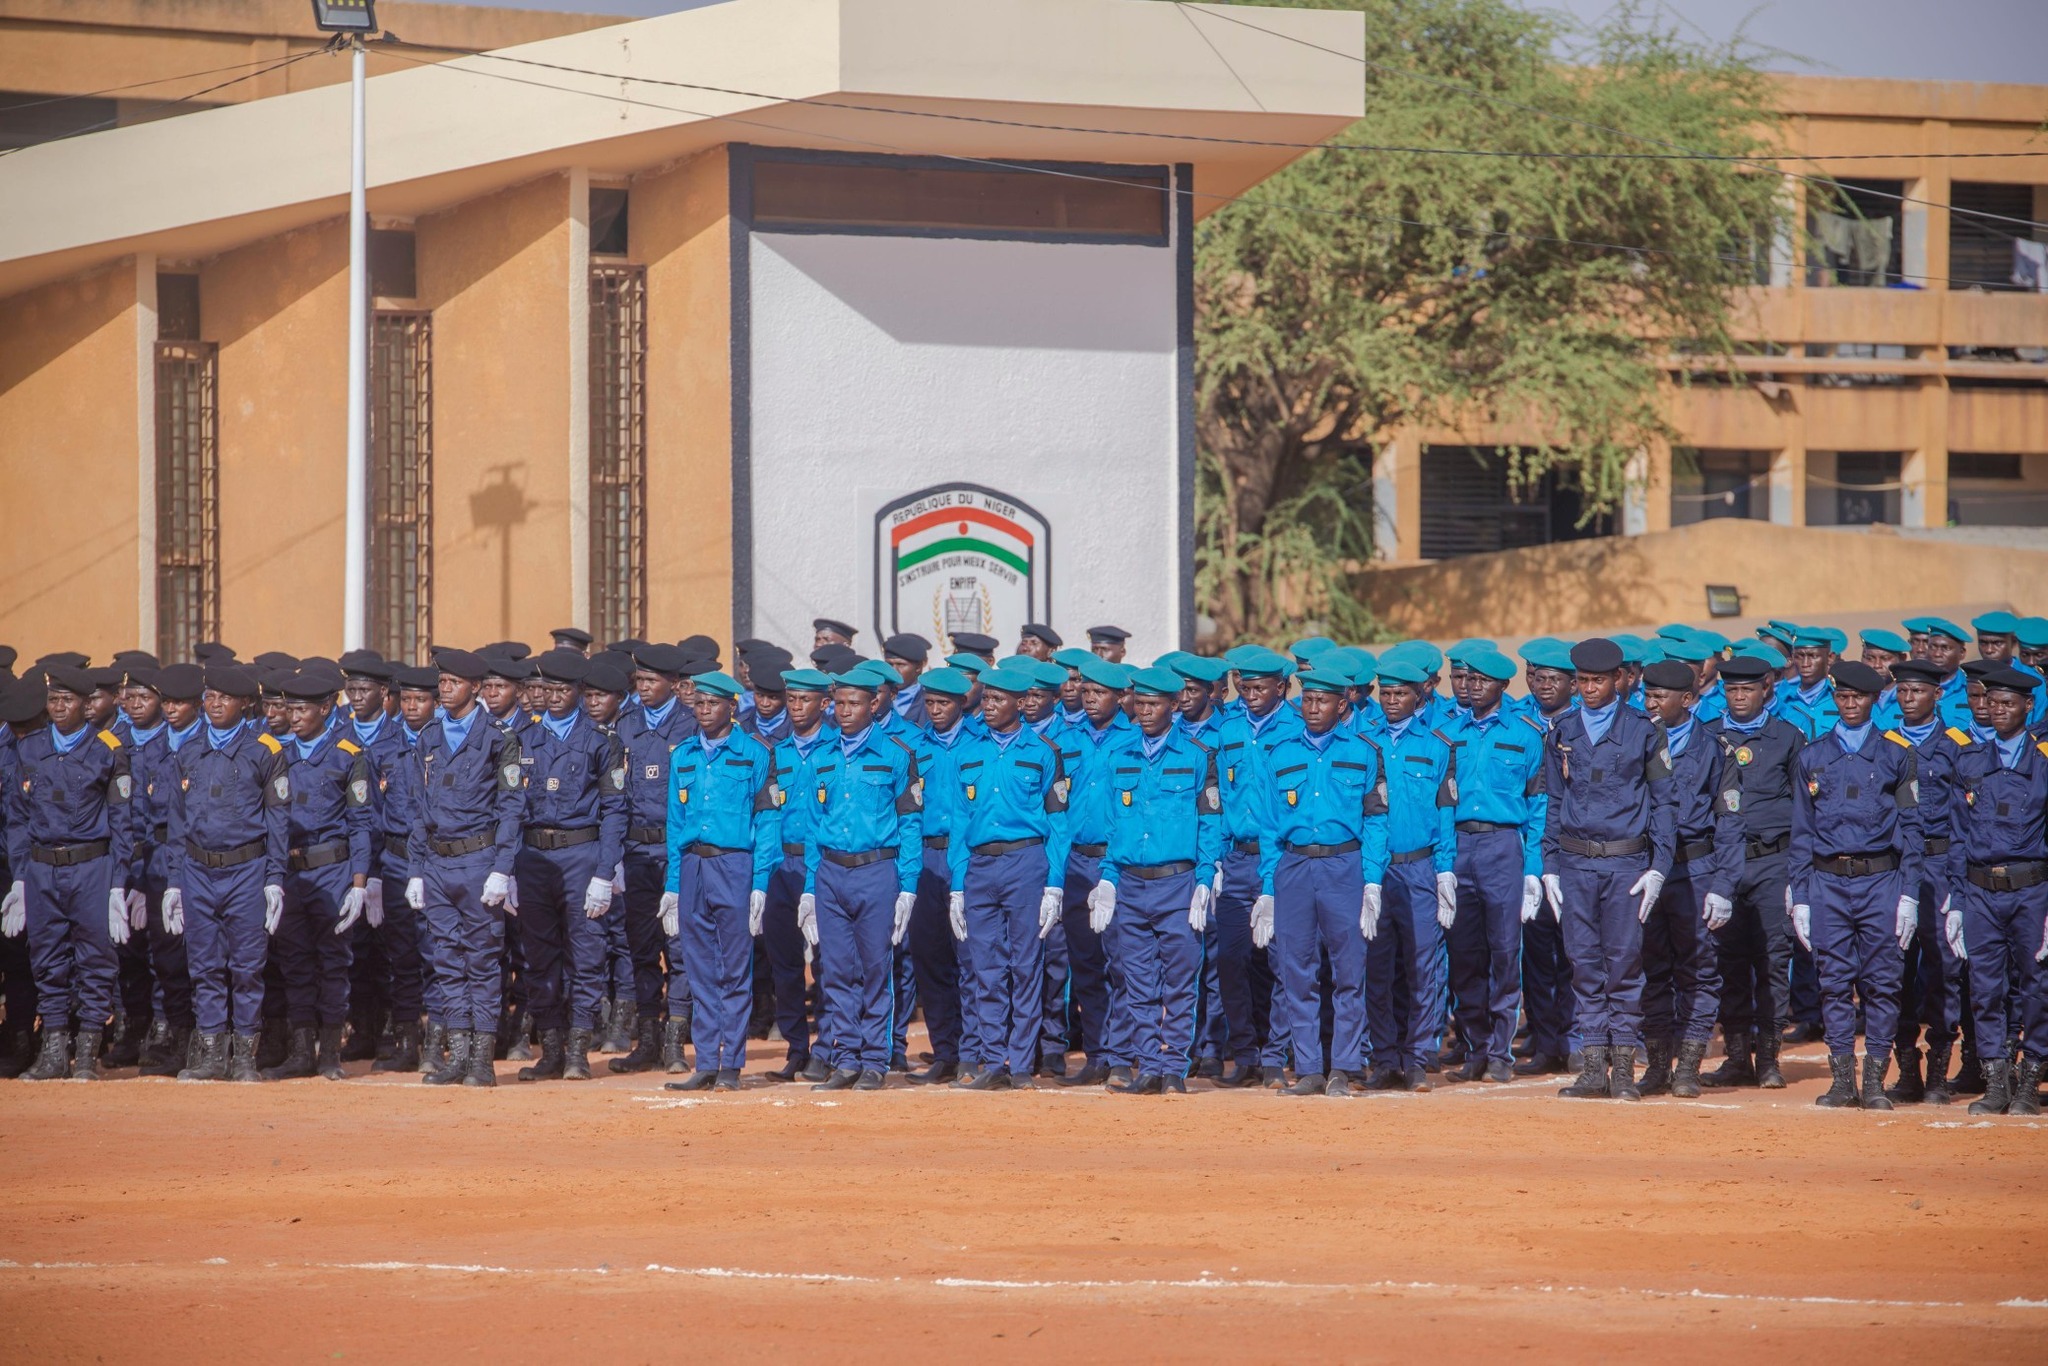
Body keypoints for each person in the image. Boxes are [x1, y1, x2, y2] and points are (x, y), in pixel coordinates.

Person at [1542, 638, 1677, 1103]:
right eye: (1582, 681)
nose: (1590, 689)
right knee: (1583, 965)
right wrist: (1549, 866)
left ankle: (1623, 1070)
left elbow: (1663, 804)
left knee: (1623, 965)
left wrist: (1659, 866)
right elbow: (1554, 802)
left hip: (1625, 863)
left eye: (1599, 680)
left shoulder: (1644, 730)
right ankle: (1592, 1068)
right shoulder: (1562, 730)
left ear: (1619, 680)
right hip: (1576, 862)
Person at [1789, 660, 1923, 1110]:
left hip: (1880, 880)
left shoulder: (1895, 756)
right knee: (1833, 982)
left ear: (1872, 702)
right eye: (1843, 697)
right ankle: (1842, 1080)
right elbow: (1801, 832)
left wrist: (1908, 893)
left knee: (1883, 983)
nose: (1849, 704)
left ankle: (1874, 1082)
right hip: (1827, 883)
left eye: (1859, 698)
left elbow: (1912, 830)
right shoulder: (1811, 756)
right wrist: (1800, 897)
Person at [1084, 666, 1222, 1093]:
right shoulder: (1119, 755)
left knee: (1180, 981)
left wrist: (1206, 877)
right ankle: (1147, 1066)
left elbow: (1210, 823)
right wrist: (1107, 881)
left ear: (1174, 705)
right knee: (1136, 980)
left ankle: (1174, 1068)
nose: (1144, 711)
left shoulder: (1197, 756)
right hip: (1130, 883)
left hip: (1177, 883)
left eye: (1154, 704)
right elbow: (1112, 826)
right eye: (1139, 703)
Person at [1255, 665, 1387, 1096]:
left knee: (1349, 970)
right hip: (1294, 868)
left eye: (1323, 700)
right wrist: (1269, 888)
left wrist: (1372, 882)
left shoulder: (1365, 752)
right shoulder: (1279, 752)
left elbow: (1376, 822)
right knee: (1297, 970)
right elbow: (1270, 828)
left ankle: (1345, 1067)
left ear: (1342, 704)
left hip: (1343, 867)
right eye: (1307, 700)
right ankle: (1309, 1066)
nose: (1313, 708)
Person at [159, 665, 289, 1083]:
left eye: (224, 698)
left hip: (246, 869)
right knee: (204, 964)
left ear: (246, 703)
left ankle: (246, 1054)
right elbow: (176, 825)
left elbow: (279, 822)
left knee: (248, 965)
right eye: (210, 696)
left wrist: (274, 879)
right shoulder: (189, 750)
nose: (214, 704)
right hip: (198, 869)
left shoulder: (265, 750)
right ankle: (213, 1053)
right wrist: (173, 883)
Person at [404, 649, 526, 1088]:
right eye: (442, 682)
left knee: (482, 960)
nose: (445, 688)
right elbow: (419, 809)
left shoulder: (498, 737)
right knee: (446, 961)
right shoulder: (430, 736)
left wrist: (502, 869)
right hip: (437, 862)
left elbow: (512, 809)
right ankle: (457, 1053)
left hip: (478, 862)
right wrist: (415, 869)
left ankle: (482, 1059)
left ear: (475, 688)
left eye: (454, 682)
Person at [946, 665, 1072, 1090]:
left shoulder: (1042, 752)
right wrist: (957, 885)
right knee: (985, 968)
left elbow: (1058, 823)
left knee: (1026, 966)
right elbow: (960, 824)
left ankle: (1020, 1064)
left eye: (999, 700)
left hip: (1026, 864)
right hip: (980, 867)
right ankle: (992, 1061)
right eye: (987, 699)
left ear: (1020, 704)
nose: (990, 706)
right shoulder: (968, 752)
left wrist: (1054, 882)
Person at [798, 667, 922, 1092]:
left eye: (854, 704)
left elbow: (909, 825)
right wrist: (810, 889)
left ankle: (875, 1059)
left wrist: (908, 886)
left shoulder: (895, 755)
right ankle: (845, 1057)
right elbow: (813, 829)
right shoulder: (821, 757)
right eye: (839, 703)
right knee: (834, 971)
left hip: (876, 871)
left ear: (874, 704)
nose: (844, 711)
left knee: (875, 968)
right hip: (831, 873)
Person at [512, 649, 629, 1083]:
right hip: (534, 857)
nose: (554, 697)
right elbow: (507, 808)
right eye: (547, 689)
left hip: (583, 855)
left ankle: (579, 1050)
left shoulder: (601, 741)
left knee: (586, 952)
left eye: (563, 690)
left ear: (579, 691)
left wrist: (605, 871)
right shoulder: (523, 740)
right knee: (538, 956)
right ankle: (552, 1050)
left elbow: (616, 810)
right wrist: (506, 868)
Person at [661, 671, 780, 1092]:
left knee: (734, 968)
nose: (704, 711)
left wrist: (761, 881)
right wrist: (673, 885)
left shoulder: (756, 753)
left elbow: (767, 820)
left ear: (733, 706)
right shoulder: (684, 755)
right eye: (699, 704)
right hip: (694, 866)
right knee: (698, 969)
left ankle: (732, 1063)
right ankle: (706, 1060)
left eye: (713, 704)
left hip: (735, 865)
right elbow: (675, 825)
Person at [258, 670, 374, 1081]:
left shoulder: (348, 754)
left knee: (333, 962)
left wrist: (359, 883)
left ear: (325, 708)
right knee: (294, 963)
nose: (294, 716)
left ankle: (330, 1054)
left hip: (331, 871)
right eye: (290, 708)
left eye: (303, 709)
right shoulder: (274, 753)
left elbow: (361, 824)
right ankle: (302, 1050)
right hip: (289, 873)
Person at [1633, 661, 1740, 1098]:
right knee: (1651, 969)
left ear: (1689, 700)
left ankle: (1689, 1067)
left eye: (1661, 697)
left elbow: (1730, 822)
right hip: (1645, 870)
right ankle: (1658, 1065)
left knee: (1698, 968)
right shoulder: (1636, 740)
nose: (1651, 703)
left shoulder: (1714, 748)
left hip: (1695, 868)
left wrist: (1724, 885)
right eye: (1648, 695)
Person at [1698, 653, 1804, 1090]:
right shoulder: (1707, 737)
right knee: (1727, 960)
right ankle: (1739, 1056)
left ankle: (1770, 1059)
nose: (1739, 697)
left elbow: (1805, 809)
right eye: (1732, 690)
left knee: (1773, 960)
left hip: (1772, 861)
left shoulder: (1787, 737)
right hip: (1724, 862)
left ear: (1767, 691)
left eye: (1747, 689)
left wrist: (1799, 875)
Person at [1442, 648, 1546, 1084]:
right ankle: (1474, 1048)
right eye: (1468, 679)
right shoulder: (1446, 734)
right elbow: (1440, 802)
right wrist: (1443, 863)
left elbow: (1538, 804)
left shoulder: (1525, 734)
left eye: (1484, 681)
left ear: (1504, 686)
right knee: (1463, 955)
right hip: (1458, 843)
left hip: (1505, 846)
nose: (1472, 687)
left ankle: (1500, 1052)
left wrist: (1534, 870)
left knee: (1505, 952)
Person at [1949, 668, 2048, 1115]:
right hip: (1980, 892)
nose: (1998, 711)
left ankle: (2030, 1080)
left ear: (2028, 706)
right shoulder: (1969, 761)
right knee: (1984, 989)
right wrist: (1955, 899)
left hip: (2033, 890)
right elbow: (1956, 835)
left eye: (2009, 703)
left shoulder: (2043, 760)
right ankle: (1996, 1081)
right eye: (1992, 703)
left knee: (2036, 987)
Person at [1362, 655, 1457, 1092]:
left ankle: (1418, 1056)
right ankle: (1384, 1057)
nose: (1392, 701)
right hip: (1375, 872)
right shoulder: (1363, 742)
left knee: (1422, 968)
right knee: (1377, 969)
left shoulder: (1437, 745)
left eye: (1401, 693)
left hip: (1419, 867)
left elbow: (1445, 816)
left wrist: (1444, 874)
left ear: (1420, 695)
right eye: (1386, 693)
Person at [1880, 658, 1971, 1105]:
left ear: (1937, 695)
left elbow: (1967, 817)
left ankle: (1938, 1071)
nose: (1908, 698)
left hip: (1940, 865)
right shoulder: (1884, 745)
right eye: (1902, 691)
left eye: (1917, 691)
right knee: (1893, 967)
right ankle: (1907, 1070)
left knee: (1942, 971)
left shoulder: (1957, 746)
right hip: (1896, 869)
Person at [610, 644, 697, 1075]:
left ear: (673, 685)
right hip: (636, 853)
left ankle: (676, 1042)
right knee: (640, 947)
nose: (642, 688)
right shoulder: (625, 726)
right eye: (639, 681)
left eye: (650, 681)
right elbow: (613, 799)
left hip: (677, 852)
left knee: (679, 947)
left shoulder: (691, 724)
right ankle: (647, 1040)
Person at [1050, 655, 1135, 1086]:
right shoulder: (1064, 738)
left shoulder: (1136, 738)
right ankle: (1099, 1054)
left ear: (1122, 697)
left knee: (1122, 964)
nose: (1090, 699)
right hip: (1075, 861)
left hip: (1117, 864)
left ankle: (1123, 1056)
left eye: (1100, 693)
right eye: (1085, 692)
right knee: (1084, 965)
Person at [903, 667, 978, 1086]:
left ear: (961, 704)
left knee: (968, 957)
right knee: (930, 958)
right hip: (927, 859)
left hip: (968, 858)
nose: (934, 711)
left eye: (943, 704)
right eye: (929, 703)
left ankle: (972, 1052)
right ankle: (945, 1052)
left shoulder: (980, 743)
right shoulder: (914, 748)